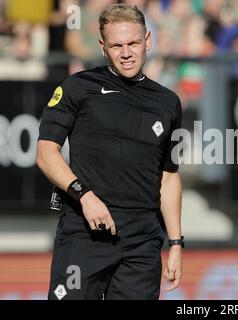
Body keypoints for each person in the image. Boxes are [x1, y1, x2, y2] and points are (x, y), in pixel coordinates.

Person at [36, 3, 183, 300]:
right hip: (84, 234)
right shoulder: (79, 87)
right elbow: (45, 153)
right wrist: (84, 196)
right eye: (117, 45)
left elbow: (168, 178)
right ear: (103, 47)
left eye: (133, 43)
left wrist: (177, 243)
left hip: (142, 244)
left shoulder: (168, 103)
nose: (126, 52)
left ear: (148, 41)